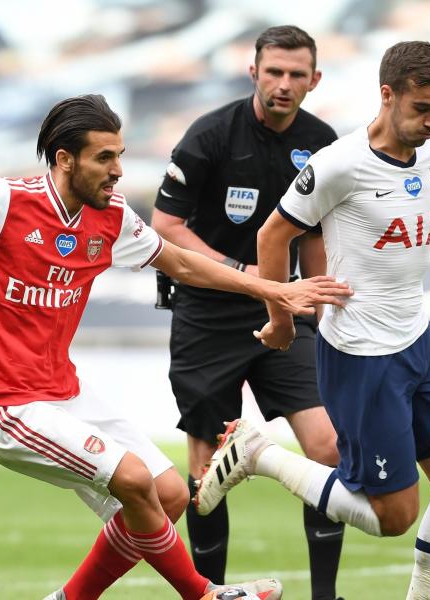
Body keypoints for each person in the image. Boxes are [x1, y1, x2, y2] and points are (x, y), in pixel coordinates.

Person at [0, 94, 352, 600]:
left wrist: (272, 288)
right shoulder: (1, 203)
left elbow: (181, 264)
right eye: (104, 158)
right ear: (65, 159)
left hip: (62, 392)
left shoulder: (111, 217)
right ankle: (202, 594)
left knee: (171, 494)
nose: (118, 170)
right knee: (135, 481)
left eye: (119, 155)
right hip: (2, 402)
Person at [196, 38, 430, 599]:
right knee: (392, 516)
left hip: (417, 340)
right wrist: (281, 314)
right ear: (387, 95)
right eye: (422, 109)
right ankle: (261, 455)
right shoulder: (340, 164)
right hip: (362, 355)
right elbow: (272, 233)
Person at [151, 25, 345, 600]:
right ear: (253, 72)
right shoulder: (210, 136)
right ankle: (209, 593)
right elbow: (166, 225)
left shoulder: (324, 141)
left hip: (286, 309)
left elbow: (314, 232)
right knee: (208, 467)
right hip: (207, 314)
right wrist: (246, 278)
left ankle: (325, 597)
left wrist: (320, 297)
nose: (284, 85)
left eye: (296, 75)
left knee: (328, 446)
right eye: (274, 72)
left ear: (314, 80)